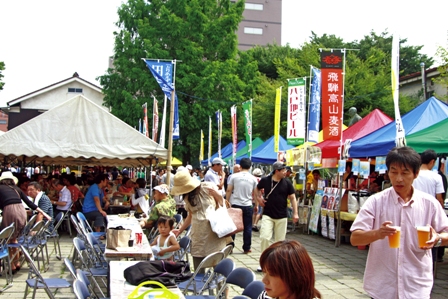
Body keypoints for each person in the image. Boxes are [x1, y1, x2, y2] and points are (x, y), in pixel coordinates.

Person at [350, 146, 448, 299]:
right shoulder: (376, 202)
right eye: (394, 172)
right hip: (382, 287)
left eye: (405, 172)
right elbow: (355, 238)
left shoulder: (429, 204)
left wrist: (437, 239)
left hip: (416, 286)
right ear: (388, 172)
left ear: (416, 174)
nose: (398, 178)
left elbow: (446, 233)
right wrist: (377, 233)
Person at [172, 171, 227, 272]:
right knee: (198, 264)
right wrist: (180, 230)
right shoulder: (187, 197)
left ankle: (222, 287)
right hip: (198, 233)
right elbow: (190, 216)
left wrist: (217, 195)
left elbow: (223, 204)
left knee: (218, 264)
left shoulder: (208, 186)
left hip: (214, 230)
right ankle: (199, 285)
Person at [0, 171, 52, 274]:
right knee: (13, 239)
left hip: (9, 212)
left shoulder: (0, 188)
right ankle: (16, 263)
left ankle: (11, 265)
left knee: (6, 238)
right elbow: (29, 203)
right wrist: (43, 213)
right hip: (21, 212)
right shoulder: (16, 189)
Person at [254, 162, 298, 272]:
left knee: (280, 242)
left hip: (282, 215)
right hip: (268, 214)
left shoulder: (287, 183)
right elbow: (256, 189)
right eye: (283, 170)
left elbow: (293, 198)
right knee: (265, 237)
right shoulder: (265, 180)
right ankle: (263, 262)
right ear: (277, 171)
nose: (285, 172)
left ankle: (278, 263)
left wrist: (295, 213)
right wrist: (259, 199)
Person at [226, 158, 257, 254]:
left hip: (235, 204)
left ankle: (230, 247)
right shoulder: (253, 178)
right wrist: (256, 204)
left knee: (233, 227)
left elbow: (229, 190)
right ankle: (247, 248)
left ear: (240, 166)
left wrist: (226, 201)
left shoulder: (233, 177)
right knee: (248, 227)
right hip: (248, 204)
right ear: (250, 167)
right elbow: (255, 193)